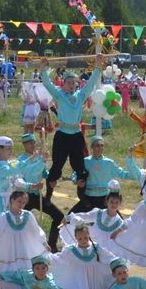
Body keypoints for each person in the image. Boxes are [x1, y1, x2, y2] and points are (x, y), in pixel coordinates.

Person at [41, 66, 101, 201]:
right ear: (64, 84)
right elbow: (47, 83)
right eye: (69, 83)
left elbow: (91, 84)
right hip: (62, 135)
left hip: (76, 135)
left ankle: (82, 196)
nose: (72, 85)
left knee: (80, 167)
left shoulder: (80, 95)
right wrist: (44, 69)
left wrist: (97, 67)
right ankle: (48, 195)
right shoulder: (59, 94)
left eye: (74, 83)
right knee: (57, 166)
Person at [0, 186, 48, 274]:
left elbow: (36, 231)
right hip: (9, 249)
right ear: (12, 200)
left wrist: (44, 243)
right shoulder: (4, 217)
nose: (21, 204)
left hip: (25, 249)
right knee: (10, 270)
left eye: (24, 203)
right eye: (19, 201)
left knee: (26, 270)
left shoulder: (28, 216)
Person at [53, 223, 114, 289]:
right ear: (75, 237)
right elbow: (60, 258)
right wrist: (48, 255)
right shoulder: (71, 250)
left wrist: (116, 263)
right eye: (80, 239)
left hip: (95, 276)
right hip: (80, 277)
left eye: (85, 238)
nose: (83, 240)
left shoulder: (96, 247)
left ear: (89, 235)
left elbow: (108, 256)